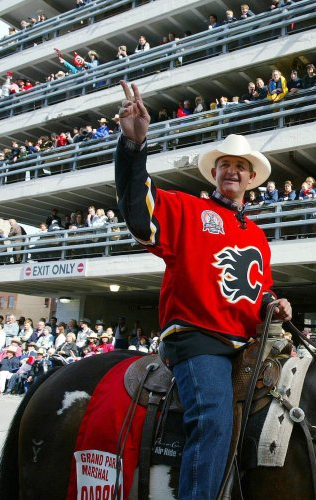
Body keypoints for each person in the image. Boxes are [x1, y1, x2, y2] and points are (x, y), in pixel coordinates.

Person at [116, 80, 292, 499]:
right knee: (214, 419)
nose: (232, 170)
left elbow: (257, 290)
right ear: (214, 172)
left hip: (246, 343)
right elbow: (138, 214)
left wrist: (274, 303)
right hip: (197, 339)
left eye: (240, 165)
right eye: (224, 164)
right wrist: (133, 147)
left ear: (251, 178)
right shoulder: (187, 208)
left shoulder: (258, 236)